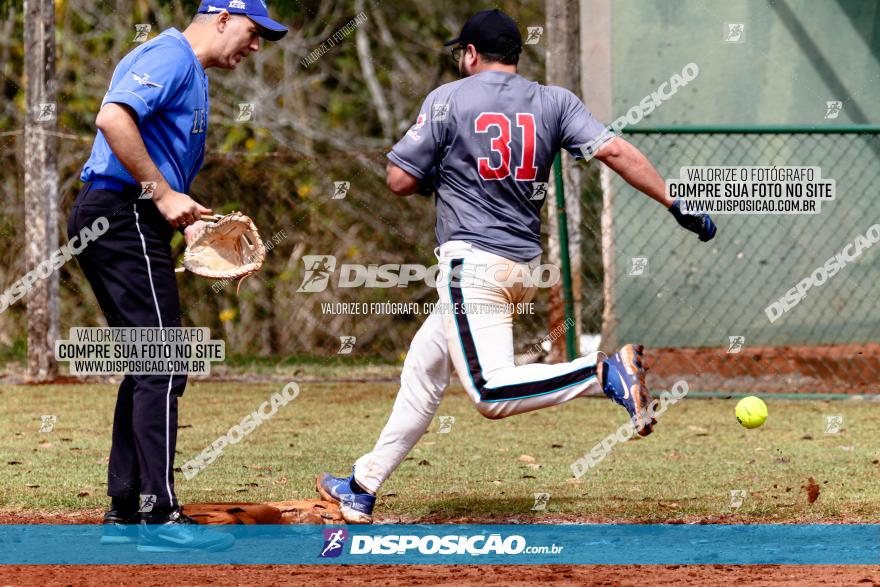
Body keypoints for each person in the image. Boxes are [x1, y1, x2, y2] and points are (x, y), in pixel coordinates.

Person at [316, 9, 717, 525]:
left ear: (469, 54)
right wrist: (674, 201)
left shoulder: (447, 100)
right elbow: (614, 151)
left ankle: (601, 372)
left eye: (460, 52)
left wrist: (441, 172)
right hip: (523, 267)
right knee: (423, 371)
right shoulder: (554, 101)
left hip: (474, 266)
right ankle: (362, 486)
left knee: (489, 393)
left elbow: (398, 179)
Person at [68, 0, 287, 552]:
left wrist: (184, 221)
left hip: (124, 215)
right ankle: (160, 517)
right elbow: (111, 117)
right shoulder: (169, 55)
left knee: (148, 361)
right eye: (253, 31)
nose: (256, 45)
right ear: (221, 18)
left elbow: (155, 156)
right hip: (121, 213)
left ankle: (125, 512)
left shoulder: (190, 71)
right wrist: (161, 195)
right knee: (162, 361)